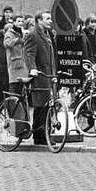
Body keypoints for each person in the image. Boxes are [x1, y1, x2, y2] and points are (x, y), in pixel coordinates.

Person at [23, 10, 56, 147]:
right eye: (47, 19)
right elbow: (29, 54)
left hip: (48, 74)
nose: (50, 21)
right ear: (39, 20)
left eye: (50, 18)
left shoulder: (47, 34)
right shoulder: (33, 35)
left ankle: (44, 134)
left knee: (47, 105)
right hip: (39, 75)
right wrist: (32, 69)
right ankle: (39, 135)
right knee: (40, 105)